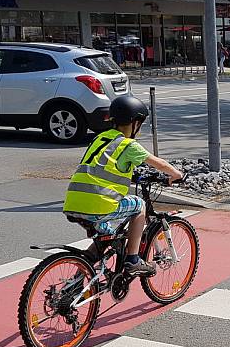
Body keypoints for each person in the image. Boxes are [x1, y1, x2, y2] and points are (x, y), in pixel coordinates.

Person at [63, 95, 184, 275]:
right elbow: (158, 163)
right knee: (139, 205)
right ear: (135, 123)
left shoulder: (100, 139)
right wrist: (176, 175)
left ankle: (77, 280)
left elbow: (103, 169)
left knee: (108, 236)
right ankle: (133, 260)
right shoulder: (127, 145)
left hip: (73, 204)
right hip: (97, 205)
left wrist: (132, 176)